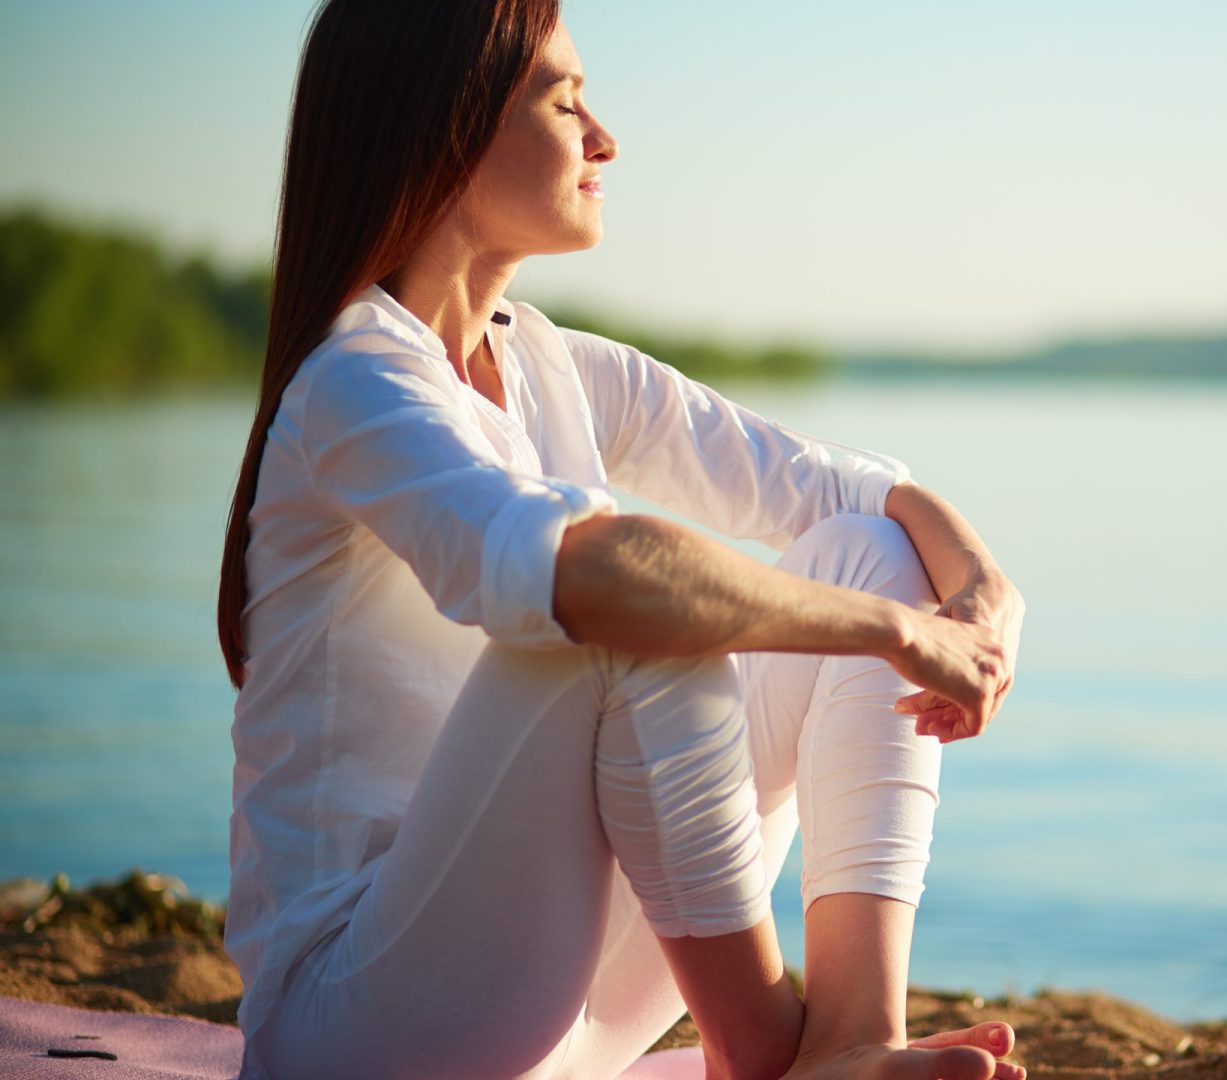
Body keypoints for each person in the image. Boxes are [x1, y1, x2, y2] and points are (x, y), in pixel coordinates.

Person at [212, 3, 1027, 1078]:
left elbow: (861, 496)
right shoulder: (356, 382)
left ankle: (850, 1040)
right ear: (444, 129)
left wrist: (979, 596)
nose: (605, 137)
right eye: (564, 102)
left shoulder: (554, 365)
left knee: (858, 552)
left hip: (563, 1008)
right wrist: (894, 636)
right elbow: (591, 576)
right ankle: (764, 1055)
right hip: (362, 1024)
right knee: (621, 609)